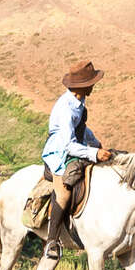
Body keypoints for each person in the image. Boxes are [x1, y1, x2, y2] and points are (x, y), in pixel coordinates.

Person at [40, 60, 112, 259]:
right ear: (84, 86)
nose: (93, 86)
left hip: (75, 146)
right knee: (64, 191)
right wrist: (93, 154)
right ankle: (52, 241)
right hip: (59, 152)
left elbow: (81, 128)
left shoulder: (79, 102)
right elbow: (68, 144)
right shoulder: (66, 108)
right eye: (92, 82)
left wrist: (96, 143)